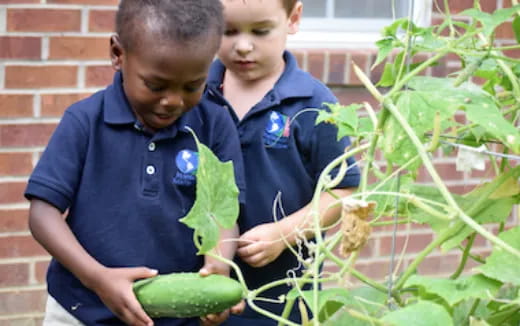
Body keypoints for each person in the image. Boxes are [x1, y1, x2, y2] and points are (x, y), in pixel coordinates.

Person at [24, 0, 246, 325]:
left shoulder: (215, 125)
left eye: (192, 85)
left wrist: (218, 264)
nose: (173, 101)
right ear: (118, 54)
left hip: (173, 317)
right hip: (79, 310)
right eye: (155, 85)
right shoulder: (84, 121)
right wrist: (97, 278)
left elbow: (225, 212)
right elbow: (43, 214)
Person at [204, 0, 361, 324]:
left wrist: (284, 232)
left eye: (260, 31)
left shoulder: (314, 103)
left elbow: (343, 193)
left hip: (281, 299)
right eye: (228, 31)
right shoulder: (194, 92)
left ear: (293, 18)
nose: (243, 46)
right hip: (200, 287)